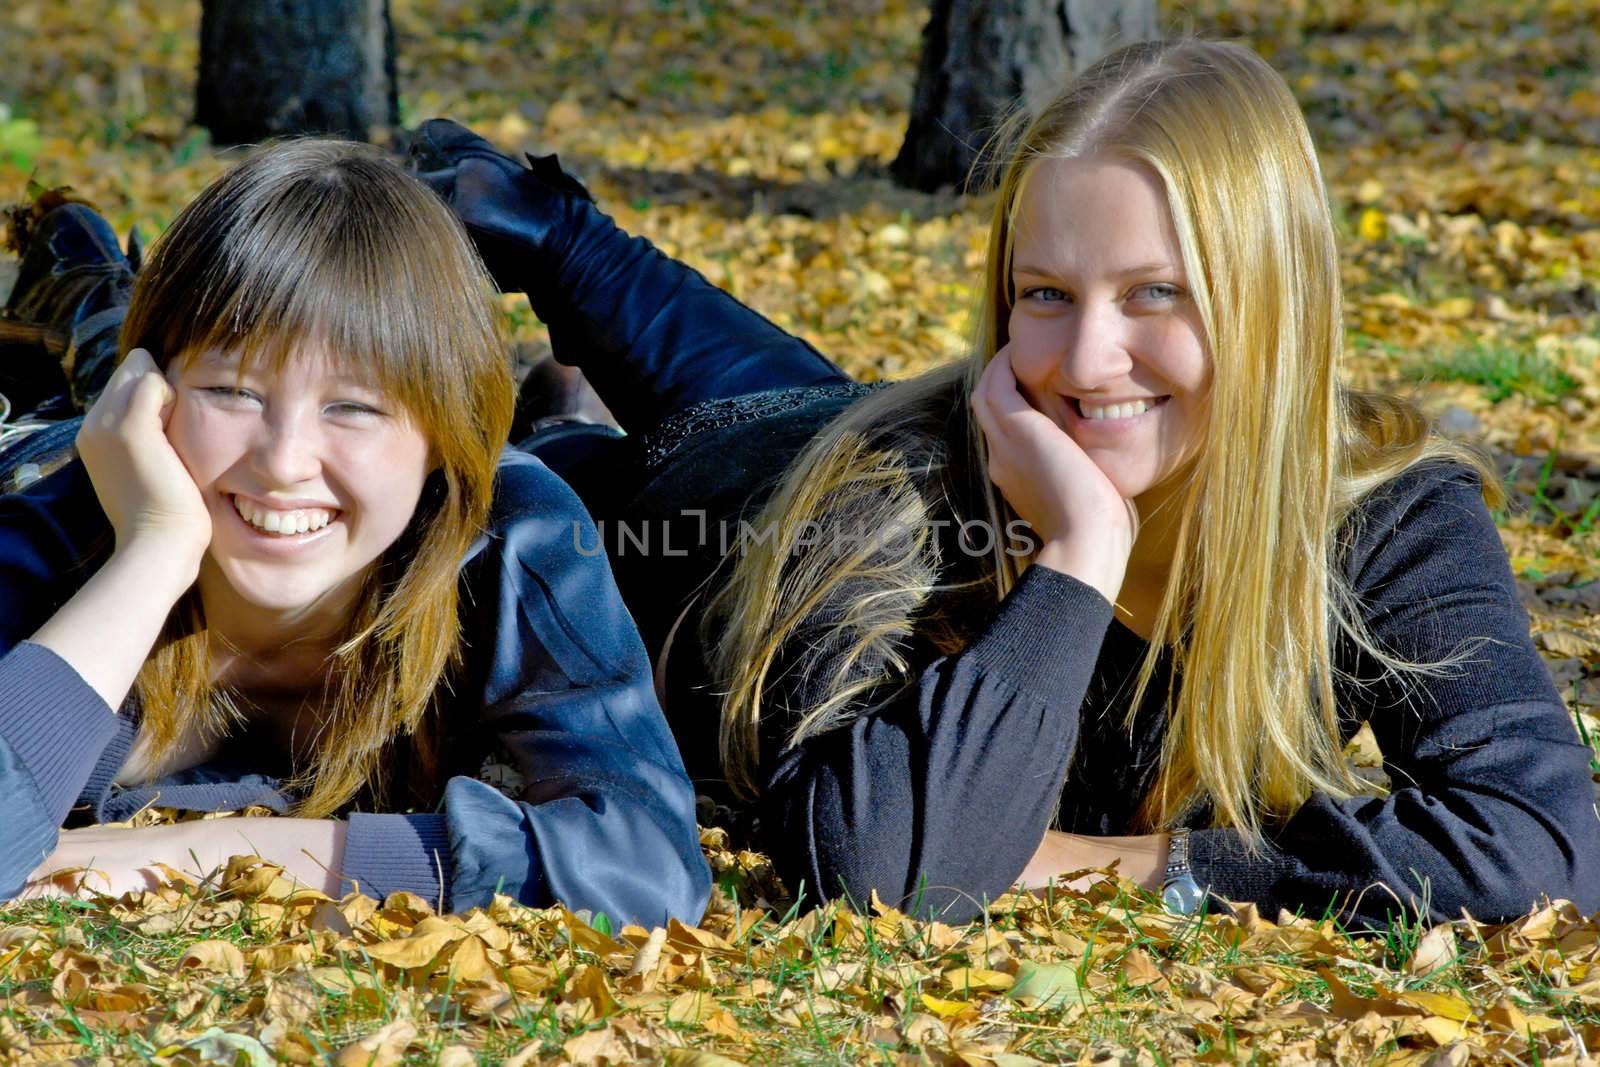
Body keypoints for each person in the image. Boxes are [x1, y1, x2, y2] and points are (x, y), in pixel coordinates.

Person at [413, 36, 1600, 929]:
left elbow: (1542, 843)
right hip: (681, 510)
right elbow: (890, 868)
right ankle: (535, 299)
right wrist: (1079, 553)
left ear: (1270, 305)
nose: (1085, 357)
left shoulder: (1379, 504)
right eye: (1044, 292)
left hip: (821, 420)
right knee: (581, 458)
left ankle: (544, 234)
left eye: (1154, 292)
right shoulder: (902, 491)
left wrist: (1163, 865)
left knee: (811, 400)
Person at [0, 139, 711, 926]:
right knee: (88, 375)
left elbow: (648, 864)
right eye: (232, 390)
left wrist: (194, 854)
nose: (283, 463)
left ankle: (555, 412)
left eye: (353, 406)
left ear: (448, 433)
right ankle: (90, 294)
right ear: (160, 396)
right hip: (40, 453)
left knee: (573, 451)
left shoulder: (512, 539)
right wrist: (155, 548)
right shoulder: (62, 533)